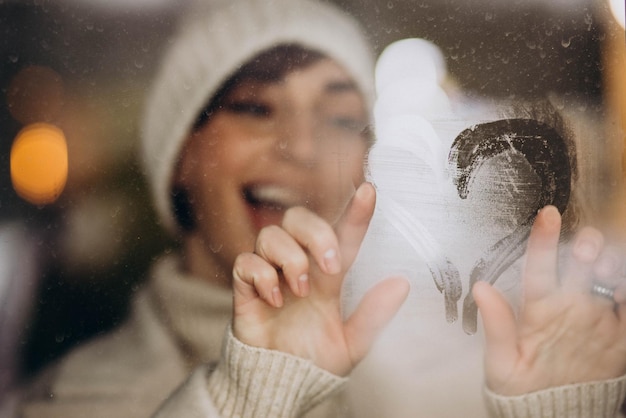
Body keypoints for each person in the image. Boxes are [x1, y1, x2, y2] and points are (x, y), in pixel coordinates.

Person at [15, 0, 626, 417]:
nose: (303, 146)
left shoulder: (427, 389)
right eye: (255, 107)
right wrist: (247, 398)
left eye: (341, 118)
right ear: (179, 154)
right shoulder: (73, 399)